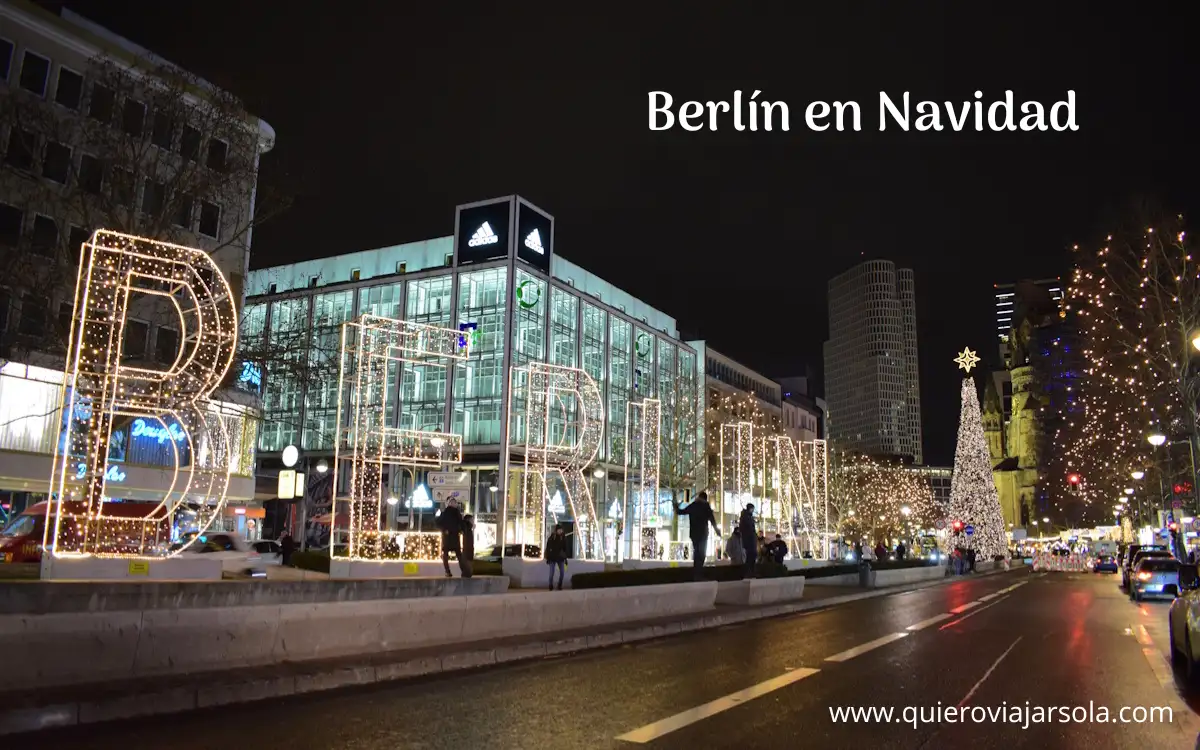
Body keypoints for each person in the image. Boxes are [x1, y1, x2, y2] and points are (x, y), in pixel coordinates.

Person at [673, 492, 720, 580]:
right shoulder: (706, 507)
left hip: (694, 534)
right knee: (701, 554)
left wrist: (675, 506)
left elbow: (680, 512)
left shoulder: (693, 505)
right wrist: (717, 531)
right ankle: (699, 574)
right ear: (705, 499)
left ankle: (696, 574)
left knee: (697, 553)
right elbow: (712, 520)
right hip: (703, 534)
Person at [436, 499, 464, 578]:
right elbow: (460, 523)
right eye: (455, 503)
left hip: (447, 536)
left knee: (446, 554)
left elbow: (438, 522)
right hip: (454, 536)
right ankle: (463, 571)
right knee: (458, 554)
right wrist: (461, 530)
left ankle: (447, 571)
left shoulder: (445, 513)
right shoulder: (456, 513)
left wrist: (444, 530)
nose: (455, 504)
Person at [544, 524, 569, 591]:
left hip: (560, 558)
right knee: (551, 573)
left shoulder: (563, 538)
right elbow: (548, 548)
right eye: (559, 529)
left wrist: (565, 558)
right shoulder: (552, 538)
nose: (561, 531)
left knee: (562, 572)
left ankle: (559, 585)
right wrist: (548, 558)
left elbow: (565, 549)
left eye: (561, 529)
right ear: (556, 530)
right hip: (552, 558)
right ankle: (550, 585)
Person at [739, 504, 758, 579]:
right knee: (751, 556)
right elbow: (749, 529)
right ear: (750, 509)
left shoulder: (747, 517)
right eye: (753, 509)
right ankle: (749, 572)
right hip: (749, 540)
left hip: (749, 540)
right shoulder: (746, 517)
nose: (753, 510)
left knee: (751, 556)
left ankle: (750, 572)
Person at [460, 514, 475, 578]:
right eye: (472, 520)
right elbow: (468, 542)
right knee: (468, 571)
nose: (473, 521)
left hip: (468, 551)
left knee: (467, 571)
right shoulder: (467, 529)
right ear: (468, 520)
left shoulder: (467, 529)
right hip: (467, 552)